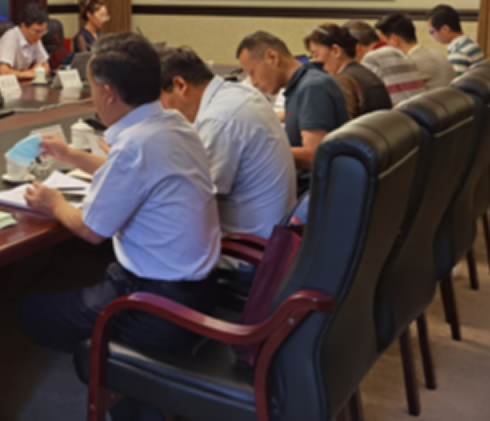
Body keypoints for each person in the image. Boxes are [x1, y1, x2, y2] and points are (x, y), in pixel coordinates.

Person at [19, 33, 221, 421]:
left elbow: (91, 229)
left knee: (31, 311)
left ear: (109, 93)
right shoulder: (174, 124)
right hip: (198, 292)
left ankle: (123, 379)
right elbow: (137, 172)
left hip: (154, 307)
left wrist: (55, 203)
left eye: (92, 88)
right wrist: (71, 155)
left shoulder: (134, 146)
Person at [159, 46, 296, 239]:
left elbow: (191, 201)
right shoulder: (237, 93)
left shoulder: (219, 119)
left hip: (248, 245)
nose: (162, 110)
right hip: (273, 230)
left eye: (159, 100)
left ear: (180, 85)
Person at [236, 31, 347, 196]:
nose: (254, 83)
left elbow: (315, 155)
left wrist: (259, 151)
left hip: (310, 193)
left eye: (252, 72)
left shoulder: (312, 87)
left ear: (272, 57)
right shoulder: (302, 84)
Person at [304, 24, 392, 119]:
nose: (315, 61)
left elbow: (344, 125)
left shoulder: (343, 81)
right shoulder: (366, 73)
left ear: (336, 51)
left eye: (316, 55)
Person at [344, 20, 426, 106]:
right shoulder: (400, 53)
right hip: (418, 108)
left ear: (358, 47)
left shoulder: (371, 60)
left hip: (398, 112)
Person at [376, 12, 456, 90]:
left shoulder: (410, 64)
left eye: (382, 42)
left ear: (394, 40)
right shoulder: (436, 53)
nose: (380, 48)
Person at [0, 3, 51, 83]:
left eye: (43, 31)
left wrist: (33, 72)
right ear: (23, 26)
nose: (41, 35)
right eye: (37, 31)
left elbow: (46, 67)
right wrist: (30, 73)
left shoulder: (35, 38)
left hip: (19, 82)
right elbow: (4, 73)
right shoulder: (10, 37)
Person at [427, 4, 485, 74]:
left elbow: (456, 80)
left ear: (445, 29)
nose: (432, 36)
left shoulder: (458, 53)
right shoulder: (472, 44)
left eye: (432, 32)